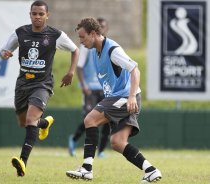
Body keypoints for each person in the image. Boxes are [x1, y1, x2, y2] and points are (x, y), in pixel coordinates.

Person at [66, 18, 162, 183]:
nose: (80, 41)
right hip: (120, 97)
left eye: (83, 37)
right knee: (117, 142)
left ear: (94, 34)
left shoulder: (112, 50)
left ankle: (86, 169)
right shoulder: (96, 52)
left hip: (125, 97)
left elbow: (135, 70)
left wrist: (131, 96)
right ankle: (151, 170)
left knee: (90, 119)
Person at [1, 0, 79, 177]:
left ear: (47, 15)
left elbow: (75, 50)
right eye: (34, 14)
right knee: (24, 122)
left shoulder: (55, 35)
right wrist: (5, 54)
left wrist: (71, 72)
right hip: (22, 84)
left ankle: (23, 162)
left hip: (42, 84)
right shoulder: (20, 32)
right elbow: (5, 50)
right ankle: (44, 123)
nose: (37, 17)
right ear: (30, 14)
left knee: (30, 119)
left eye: (41, 14)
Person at [68, 17, 110, 158]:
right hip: (90, 88)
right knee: (89, 119)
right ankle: (74, 139)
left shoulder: (109, 46)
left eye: (104, 26)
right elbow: (79, 67)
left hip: (105, 89)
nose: (102, 28)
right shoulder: (86, 45)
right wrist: (84, 85)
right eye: (100, 26)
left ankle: (101, 151)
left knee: (108, 119)